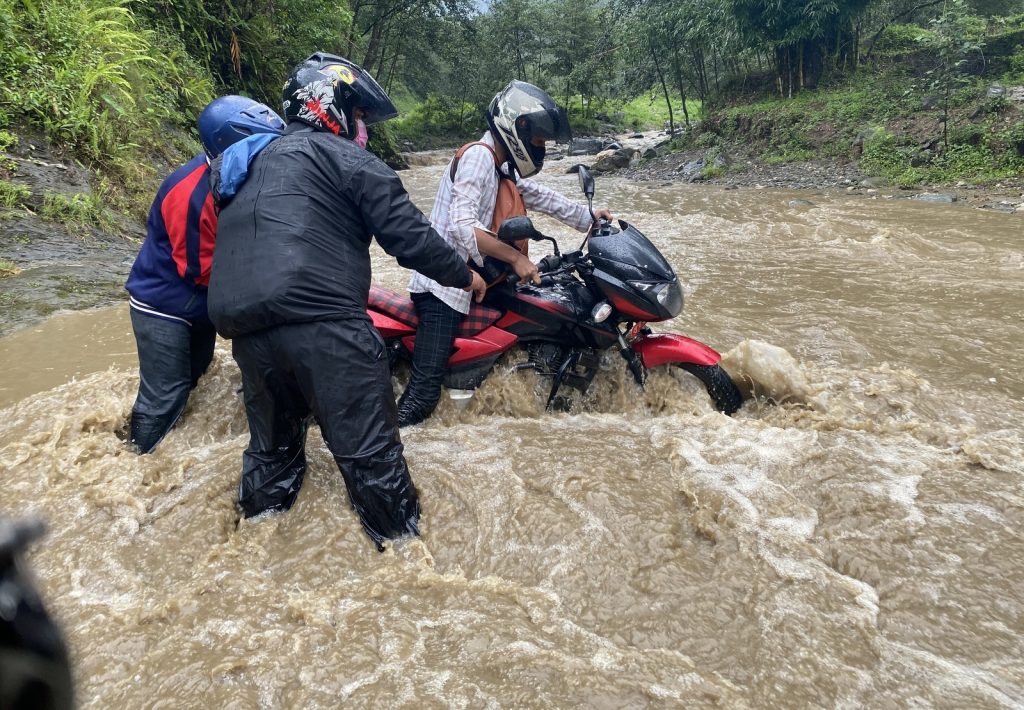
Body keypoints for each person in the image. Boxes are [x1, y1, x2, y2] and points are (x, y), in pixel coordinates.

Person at [206, 52, 486, 548]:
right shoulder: (351, 161)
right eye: (358, 115)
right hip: (327, 332)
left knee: (272, 458)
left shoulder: (246, 164)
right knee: (371, 460)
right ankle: (406, 561)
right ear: (329, 104)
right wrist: (463, 275)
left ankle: (255, 553)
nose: (363, 128)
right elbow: (410, 238)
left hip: (249, 340)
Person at [397, 80, 614, 427]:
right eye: (539, 141)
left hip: (478, 279)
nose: (540, 149)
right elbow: (461, 226)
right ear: (517, 129)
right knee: (423, 397)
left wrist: (587, 217)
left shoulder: (500, 166)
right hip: (444, 289)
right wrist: (516, 258)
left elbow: (542, 196)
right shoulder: (478, 158)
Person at [124, 95, 284, 454]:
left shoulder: (235, 179)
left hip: (199, 307)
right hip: (164, 307)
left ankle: (170, 447)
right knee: (165, 396)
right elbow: (199, 269)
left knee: (195, 381)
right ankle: (136, 462)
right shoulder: (191, 192)